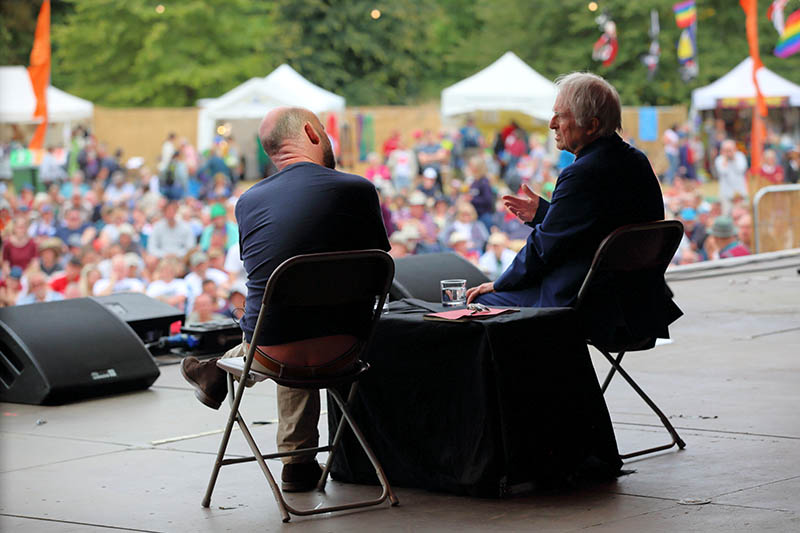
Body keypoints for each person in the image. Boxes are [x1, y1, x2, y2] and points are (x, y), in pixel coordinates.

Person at [180, 107, 389, 492]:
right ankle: (296, 464)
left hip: (273, 354)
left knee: (285, 320)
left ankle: (292, 459)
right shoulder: (360, 190)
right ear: (311, 132)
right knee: (308, 312)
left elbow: (261, 271)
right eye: (325, 130)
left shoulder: (249, 202)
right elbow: (380, 272)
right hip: (348, 350)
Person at [467, 72, 679, 340]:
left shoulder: (583, 173)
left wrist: (499, 283)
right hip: (639, 303)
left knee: (475, 310)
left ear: (591, 125)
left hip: (590, 306)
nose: (552, 124)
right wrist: (546, 214)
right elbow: (599, 227)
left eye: (561, 116)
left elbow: (544, 249)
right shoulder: (635, 160)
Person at [715, 140, 748, 215]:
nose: (728, 152)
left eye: (730, 150)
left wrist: (733, 159)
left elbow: (741, 169)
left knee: (741, 215)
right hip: (726, 195)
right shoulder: (719, 159)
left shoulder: (740, 157)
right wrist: (726, 159)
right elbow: (723, 171)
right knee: (726, 216)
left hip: (740, 194)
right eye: (726, 150)